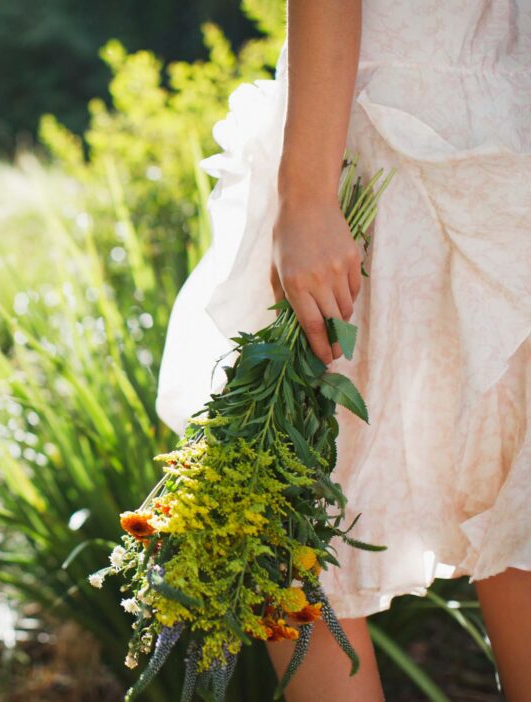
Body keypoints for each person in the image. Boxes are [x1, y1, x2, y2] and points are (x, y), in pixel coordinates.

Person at [155, 0, 531, 699]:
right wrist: (304, 198)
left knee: (284, 518)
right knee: (283, 510)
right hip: (451, 141)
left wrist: (305, 198)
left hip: (407, 143)